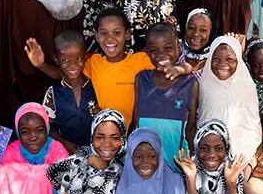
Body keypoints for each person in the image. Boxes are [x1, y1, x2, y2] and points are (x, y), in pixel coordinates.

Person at [27, 9, 166, 127]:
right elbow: (66, 73)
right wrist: (41, 65)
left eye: (116, 33)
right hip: (108, 134)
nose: (110, 39)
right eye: (104, 33)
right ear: (97, 37)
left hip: (137, 130)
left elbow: (166, 69)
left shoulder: (141, 60)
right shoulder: (94, 63)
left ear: (127, 34)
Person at [134, 23, 200, 167]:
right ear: (147, 52)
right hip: (144, 167)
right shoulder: (141, 79)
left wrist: (192, 163)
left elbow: (190, 128)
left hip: (176, 165)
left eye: (168, 48)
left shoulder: (190, 83)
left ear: (179, 48)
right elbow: (135, 124)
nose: (161, 54)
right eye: (153, 50)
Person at [199, 35, 263, 163]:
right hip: (210, 156)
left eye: (229, 59)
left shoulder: (247, 86)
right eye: (216, 59)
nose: (222, 64)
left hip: (244, 156)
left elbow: (252, 123)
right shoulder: (203, 85)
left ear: (238, 60)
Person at [41, 30, 98, 154]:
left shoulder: (96, 86)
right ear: (56, 60)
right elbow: (46, 125)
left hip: (98, 153)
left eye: (78, 59)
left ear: (85, 57)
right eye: (65, 60)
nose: (72, 65)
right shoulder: (53, 93)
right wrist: (64, 143)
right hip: (66, 153)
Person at [181, 7, 216, 77]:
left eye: (203, 30)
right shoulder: (176, 53)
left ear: (211, 33)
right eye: (191, 28)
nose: (196, 34)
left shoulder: (216, 59)